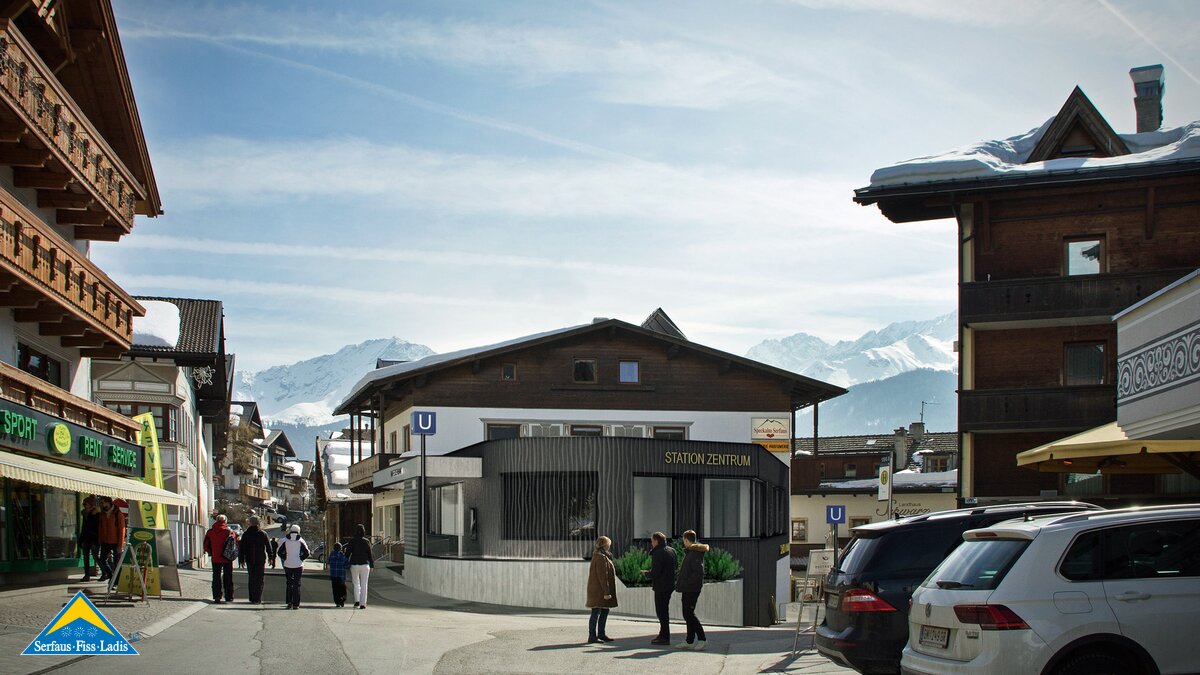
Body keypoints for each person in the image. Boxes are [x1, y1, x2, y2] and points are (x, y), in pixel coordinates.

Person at [674, 530, 709, 651]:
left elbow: (698, 573)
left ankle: (702, 639)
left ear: (686, 540)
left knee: (689, 614)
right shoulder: (692, 552)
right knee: (687, 614)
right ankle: (689, 640)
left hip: (691, 589)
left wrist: (685, 582)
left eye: (684, 541)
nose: (683, 543)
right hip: (688, 588)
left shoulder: (694, 554)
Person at [641, 531, 677, 645]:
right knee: (664, 611)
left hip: (661, 586)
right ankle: (663, 634)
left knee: (661, 612)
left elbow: (656, 572)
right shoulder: (672, 551)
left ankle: (664, 636)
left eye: (652, 541)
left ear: (656, 541)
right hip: (670, 585)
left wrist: (646, 573)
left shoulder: (658, 553)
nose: (651, 543)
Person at [585, 535, 617, 644]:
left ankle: (600, 634)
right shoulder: (600, 557)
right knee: (597, 612)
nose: (609, 546)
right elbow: (603, 576)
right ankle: (594, 635)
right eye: (608, 544)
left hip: (598, 590)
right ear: (604, 545)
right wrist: (606, 592)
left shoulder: (600, 556)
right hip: (600, 591)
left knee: (602, 611)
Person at [203, 514, 237, 603]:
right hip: (227, 558)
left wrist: (211, 552)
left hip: (215, 558)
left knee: (216, 577)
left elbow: (205, 545)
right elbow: (234, 543)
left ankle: (217, 596)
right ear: (225, 521)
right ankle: (229, 596)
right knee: (228, 577)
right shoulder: (229, 531)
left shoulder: (210, 532)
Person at [278, 524, 310, 609]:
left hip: (287, 564)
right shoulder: (300, 541)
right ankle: (296, 604)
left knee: (289, 583)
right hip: (298, 565)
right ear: (298, 531)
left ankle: (289, 602)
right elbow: (307, 553)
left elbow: (279, 552)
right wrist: (300, 558)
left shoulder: (285, 540)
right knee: (297, 584)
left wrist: (285, 558)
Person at [239, 516, 270, 603]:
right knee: (259, 579)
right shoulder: (263, 533)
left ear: (249, 523)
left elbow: (242, 548)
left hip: (249, 559)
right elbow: (268, 546)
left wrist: (241, 559)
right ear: (258, 523)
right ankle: (257, 598)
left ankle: (252, 597)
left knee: (251, 578)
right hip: (260, 559)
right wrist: (271, 557)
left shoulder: (246, 534)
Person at [96, 496, 126, 582]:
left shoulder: (117, 514)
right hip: (105, 541)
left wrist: (120, 545)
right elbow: (100, 528)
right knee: (102, 559)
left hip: (115, 541)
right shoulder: (102, 514)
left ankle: (116, 581)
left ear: (108, 503)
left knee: (117, 562)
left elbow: (122, 529)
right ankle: (111, 576)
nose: (101, 505)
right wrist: (100, 540)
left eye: (102, 503)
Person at [346, 524, 374, 609]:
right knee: (364, 584)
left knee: (356, 583)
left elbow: (347, 553)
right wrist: (372, 564)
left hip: (354, 564)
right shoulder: (366, 541)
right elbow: (370, 554)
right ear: (364, 531)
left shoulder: (352, 541)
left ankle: (357, 601)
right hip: (365, 565)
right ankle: (363, 603)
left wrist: (345, 562)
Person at [78, 497, 101, 581]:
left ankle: (105, 572)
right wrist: (81, 540)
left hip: (94, 538)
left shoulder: (96, 514)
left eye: (86, 504)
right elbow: (83, 527)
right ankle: (86, 575)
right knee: (86, 557)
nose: (84, 506)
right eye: (83, 504)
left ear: (90, 504)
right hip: (86, 538)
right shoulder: (84, 513)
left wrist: (98, 538)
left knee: (95, 557)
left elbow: (99, 528)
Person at [327, 542, 348, 607]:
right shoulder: (343, 556)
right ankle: (342, 599)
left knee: (335, 589)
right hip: (341, 575)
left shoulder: (331, 555)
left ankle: (337, 602)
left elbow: (328, 562)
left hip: (333, 575)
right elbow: (347, 564)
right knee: (342, 588)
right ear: (340, 548)